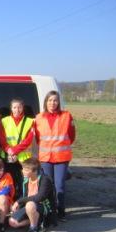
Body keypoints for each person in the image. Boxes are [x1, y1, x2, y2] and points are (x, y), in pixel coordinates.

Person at [34, 90, 75, 221]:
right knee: (48, 186)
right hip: (46, 158)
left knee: (59, 186)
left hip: (61, 157)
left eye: (55, 100)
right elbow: (37, 138)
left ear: (59, 102)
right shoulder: (39, 117)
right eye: (50, 100)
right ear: (46, 102)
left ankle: (61, 211)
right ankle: (50, 211)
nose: (52, 103)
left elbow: (72, 135)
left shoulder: (67, 116)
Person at [9, 158, 55, 232]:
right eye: (23, 169)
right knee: (12, 222)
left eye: (26, 170)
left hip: (44, 206)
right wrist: (17, 205)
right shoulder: (26, 180)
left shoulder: (45, 179)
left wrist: (19, 201)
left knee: (30, 204)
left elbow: (39, 198)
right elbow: (24, 195)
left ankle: (33, 228)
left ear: (34, 171)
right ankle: (38, 221)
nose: (23, 171)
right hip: (30, 207)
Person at [0, 98, 34, 199]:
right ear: (11, 108)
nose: (17, 110)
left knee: (24, 182)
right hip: (8, 157)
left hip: (23, 158)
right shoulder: (4, 121)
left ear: (23, 108)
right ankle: (11, 202)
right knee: (10, 181)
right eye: (14, 107)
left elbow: (29, 140)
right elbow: (1, 138)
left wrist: (14, 151)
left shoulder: (30, 121)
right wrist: (9, 150)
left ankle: (24, 203)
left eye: (19, 107)